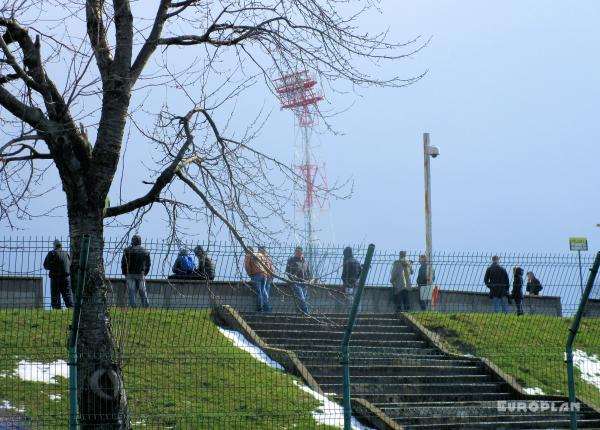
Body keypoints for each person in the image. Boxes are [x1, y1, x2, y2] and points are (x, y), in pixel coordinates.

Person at [121, 235, 151, 308]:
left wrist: (124, 272)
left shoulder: (127, 250)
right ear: (140, 241)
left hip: (130, 273)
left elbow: (123, 263)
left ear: (132, 241)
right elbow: (148, 264)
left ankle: (133, 307)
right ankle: (146, 306)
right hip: (141, 273)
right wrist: (145, 272)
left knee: (132, 291)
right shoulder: (145, 251)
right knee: (142, 291)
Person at [43, 239, 74, 310]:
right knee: (67, 294)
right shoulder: (66, 253)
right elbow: (70, 264)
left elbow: (45, 265)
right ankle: (71, 308)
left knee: (55, 295)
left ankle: (57, 309)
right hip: (66, 277)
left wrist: (53, 266)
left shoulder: (52, 253)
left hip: (55, 277)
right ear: (61, 246)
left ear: (54, 245)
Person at [285, 246, 311, 314]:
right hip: (295, 282)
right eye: (296, 252)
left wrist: (308, 280)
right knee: (301, 297)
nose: (298, 253)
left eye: (299, 252)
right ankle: (306, 312)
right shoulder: (291, 260)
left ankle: (300, 312)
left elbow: (308, 273)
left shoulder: (306, 262)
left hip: (305, 283)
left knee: (302, 298)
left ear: (302, 252)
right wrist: (293, 280)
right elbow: (287, 271)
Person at [244, 247, 271, 312]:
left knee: (259, 291)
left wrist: (250, 275)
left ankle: (260, 307)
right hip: (264, 274)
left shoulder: (248, 255)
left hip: (256, 274)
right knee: (263, 290)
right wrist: (266, 272)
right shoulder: (260, 255)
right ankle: (266, 306)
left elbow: (247, 266)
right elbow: (267, 264)